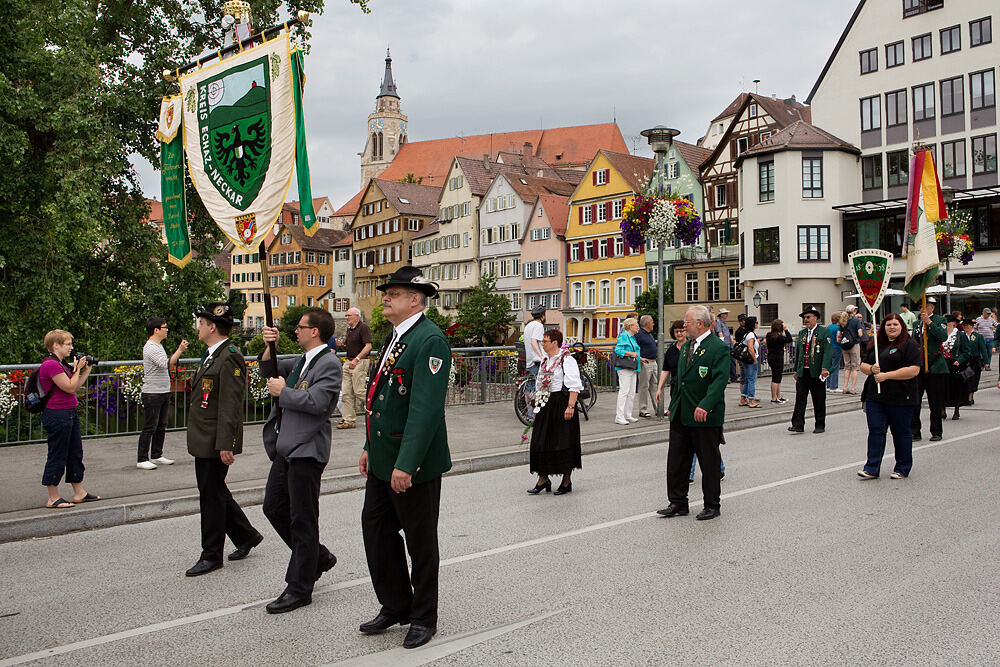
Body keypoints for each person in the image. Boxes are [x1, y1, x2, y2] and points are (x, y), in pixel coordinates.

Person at [358, 266, 451, 650]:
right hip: (383, 457)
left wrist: (406, 464)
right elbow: (380, 398)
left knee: (420, 540)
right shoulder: (396, 337)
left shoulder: (429, 340)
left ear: (415, 299)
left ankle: (423, 616)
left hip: (412, 463)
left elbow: (424, 409)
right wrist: (368, 446)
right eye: (386, 293)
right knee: (376, 530)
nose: (385, 298)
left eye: (393, 293)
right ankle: (395, 603)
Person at [258, 309, 343, 614]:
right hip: (286, 447)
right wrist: (270, 344)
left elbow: (319, 404)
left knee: (303, 519)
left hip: (307, 449)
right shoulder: (301, 361)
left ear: (315, 332)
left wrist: (285, 392)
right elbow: (267, 370)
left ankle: (299, 587)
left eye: (300, 327)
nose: (296, 331)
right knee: (274, 508)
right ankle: (317, 557)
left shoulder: (329, 363)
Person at [184, 303, 262, 577]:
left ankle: (211, 554)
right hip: (205, 437)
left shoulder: (229, 356)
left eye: (201, 323)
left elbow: (230, 404)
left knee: (211, 497)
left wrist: (226, 444)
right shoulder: (211, 355)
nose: (199, 327)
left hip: (214, 440)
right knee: (214, 491)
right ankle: (246, 535)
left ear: (212, 326)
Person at [657, 306, 728, 521]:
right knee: (677, 460)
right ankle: (678, 501)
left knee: (709, 461)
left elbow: (719, 381)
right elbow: (680, 381)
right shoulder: (687, 346)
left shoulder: (718, 347)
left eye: (687, 322)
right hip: (682, 412)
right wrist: (673, 405)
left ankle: (712, 505)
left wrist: (705, 405)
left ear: (700, 323)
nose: (684, 325)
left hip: (704, 414)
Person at [38, 330, 100, 509]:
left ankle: (78, 491)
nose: (71, 348)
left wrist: (85, 370)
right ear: (55, 345)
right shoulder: (50, 365)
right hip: (57, 415)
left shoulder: (61, 364)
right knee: (57, 454)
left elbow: (76, 384)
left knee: (75, 453)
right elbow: (69, 387)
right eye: (68, 344)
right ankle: (53, 497)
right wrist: (78, 369)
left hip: (69, 413)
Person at [856, 313, 921, 480]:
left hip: (901, 396)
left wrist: (886, 375)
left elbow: (914, 370)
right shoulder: (877, 345)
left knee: (900, 432)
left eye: (895, 324)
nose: (892, 327)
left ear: (902, 327)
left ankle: (902, 467)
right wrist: (871, 370)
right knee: (876, 430)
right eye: (888, 324)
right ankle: (871, 468)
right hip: (875, 396)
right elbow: (863, 364)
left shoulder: (910, 345)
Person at [527, 329, 583, 496]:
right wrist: (537, 406)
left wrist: (571, 406)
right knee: (541, 440)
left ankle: (566, 480)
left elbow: (575, 384)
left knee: (563, 441)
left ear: (554, 343)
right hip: (545, 403)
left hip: (560, 402)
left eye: (545, 341)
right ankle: (543, 478)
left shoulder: (567, 360)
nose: (542, 344)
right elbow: (540, 384)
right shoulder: (545, 360)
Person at [136, 317, 188, 470]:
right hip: (152, 392)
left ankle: (157, 455)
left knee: (161, 425)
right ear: (156, 330)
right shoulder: (150, 347)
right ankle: (142, 458)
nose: (167, 330)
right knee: (150, 426)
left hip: (162, 391)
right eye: (164, 327)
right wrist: (180, 350)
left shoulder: (158, 346)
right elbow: (165, 364)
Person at [788, 306, 833, 434]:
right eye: (804, 318)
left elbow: (828, 352)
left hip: (817, 371)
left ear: (816, 318)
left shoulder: (824, 332)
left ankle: (819, 424)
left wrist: (825, 368)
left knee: (818, 399)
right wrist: (796, 369)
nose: (806, 320)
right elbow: (799, 353)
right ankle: (798, 424)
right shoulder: (802, 333)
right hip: (803, 371)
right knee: (800, 399)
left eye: (808, 317)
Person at [910, 297, 948, 442]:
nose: (923, 309)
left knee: (935, 402)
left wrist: (929, 323)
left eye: (926, 306)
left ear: (932, 308)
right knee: (915, 401)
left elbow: (942, 336)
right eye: (921, 307)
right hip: (919, 366)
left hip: (935, 366)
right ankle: (915, 431)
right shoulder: (916, 323)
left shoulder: (940, 321)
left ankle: (936, 431)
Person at [336, 307, 372, 431]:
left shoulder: (363, 328)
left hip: (360, 361)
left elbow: (368, 346)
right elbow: (351, 348)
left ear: (357, 316)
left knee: (359, 391)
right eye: (346, 316)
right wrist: (342, 346)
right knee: (346, 392)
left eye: (349, 315)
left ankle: (376, 411)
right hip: (349, 360)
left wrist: (357, 359)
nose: (347, 318)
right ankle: (348, 419)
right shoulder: (349, 330)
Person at [613, 317, 641, 425]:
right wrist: (630, 354)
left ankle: (628, 414)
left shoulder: (632, 337)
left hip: (633, 367)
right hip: (625, 368)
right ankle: (619, 416)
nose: (638, 327)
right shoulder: (624, 336)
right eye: (636, 325)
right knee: (624, 392)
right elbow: (618, 350)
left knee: (631, 392)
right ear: (630, 326)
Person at [942, 314, 970, 420]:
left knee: (956, 388)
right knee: (942, 387)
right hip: (942, 364)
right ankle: (942, 408)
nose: (946, 325)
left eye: (947, 323)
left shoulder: (960, 335)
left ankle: (956, 410)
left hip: (955, 365)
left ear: (953, 324)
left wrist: (959, 360)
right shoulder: (941, 334)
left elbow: (967, 351)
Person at [655, 320, 686, 407]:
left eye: (681, 331)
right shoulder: (670, 351)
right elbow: (665, 371)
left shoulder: (692, 347)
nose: (679, 333)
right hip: (675, 386)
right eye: (676, 331)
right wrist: (659, 388)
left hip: (689, 387)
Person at [960, 317, 989, 407]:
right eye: (963, 326)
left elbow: (983, 349)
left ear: (971, 326)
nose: (965, 327)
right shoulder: (961, 335)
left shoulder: (977, 336)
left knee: (973, 378)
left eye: (967, 326)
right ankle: (965, 397)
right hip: (964, 360)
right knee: (965, 378)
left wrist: (986, 362)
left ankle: (970, 396)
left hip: (974, 360)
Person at [635, 315, 658, 417]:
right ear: (647, 323)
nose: (653, 324)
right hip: (645, 363)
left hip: (653, 362)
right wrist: (639, 359)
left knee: (655, 386)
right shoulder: (639, 334)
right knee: (644, 386)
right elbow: (635, 348)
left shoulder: (649, 334)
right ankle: (643, 409)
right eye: (652, 321)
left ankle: (658, 408)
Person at [765, 319, 792, 403]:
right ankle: (774, 398)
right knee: (776, 378)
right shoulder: (779, 337)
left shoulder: (769, 335)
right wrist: (786, 330)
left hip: (771, 357)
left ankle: (778, 396)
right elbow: (789, 339)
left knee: (777, 377)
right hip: (778, 358)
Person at [737, 316, 761, 408]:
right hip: (750, 360)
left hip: (745, 360)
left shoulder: (746, 334)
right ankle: (751, 400)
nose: (757, 324)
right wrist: (755, 359)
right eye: (756, 322)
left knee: (747, 379)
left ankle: (743, 399)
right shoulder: (750, 335)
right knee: (752, 380)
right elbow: (750, 348)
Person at [841, 304, 863, 394]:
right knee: (855, 367)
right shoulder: (856, 321)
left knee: (847, 367)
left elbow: (839, 334)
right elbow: (860, 333)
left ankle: (845, 387)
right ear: (854, 311)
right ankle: (853, 388)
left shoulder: (843, 320)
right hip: (854, 344)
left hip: (845, 345)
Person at [714, 308, 737, 383]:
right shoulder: (718, 322)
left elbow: (727, 333)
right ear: (721, 315)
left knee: (732, 361)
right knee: (726, 362)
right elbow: (720, 333)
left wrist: (731, 338)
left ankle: (734, 377)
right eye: (725, 313)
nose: (726, 315)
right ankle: (727, 377)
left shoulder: (724, 323)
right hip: (725, 345)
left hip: (729, 345)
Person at [523, 306, 546, 377]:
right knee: (537, 386)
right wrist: (542, 357)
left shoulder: (528, 325)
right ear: (542, 315)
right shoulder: (539, 325)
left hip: (529, 361)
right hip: (536, 362)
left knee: (530, 385)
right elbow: (533, 341)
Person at [826, 312, 843, 393]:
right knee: (835, 367)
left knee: (829, 367)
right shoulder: (838, 328)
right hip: (836, 348)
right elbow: (838, 339)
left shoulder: (828, 327)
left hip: (828, 348)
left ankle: (828, 385)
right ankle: (834, 386)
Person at [732, 313, 747, 384]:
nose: (743, 322)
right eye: (741, 321)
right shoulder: (739, 331)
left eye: (744, 320)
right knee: (743, 370)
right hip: (741, 353)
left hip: (746, 352)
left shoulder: (748, 329)